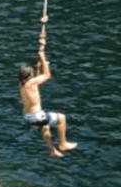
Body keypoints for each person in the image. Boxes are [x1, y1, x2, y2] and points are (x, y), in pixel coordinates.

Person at [18, 30, 77, 158]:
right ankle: (62, 144)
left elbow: (39, 76)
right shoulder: (32, 83)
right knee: (61, 118)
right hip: (36, 117)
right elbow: (47, 75)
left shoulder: (22, 85)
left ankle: (51, 151)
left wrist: (42, 45)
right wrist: (43, 56)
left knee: (46, 128)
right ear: (30, 76)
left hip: (28, 117)